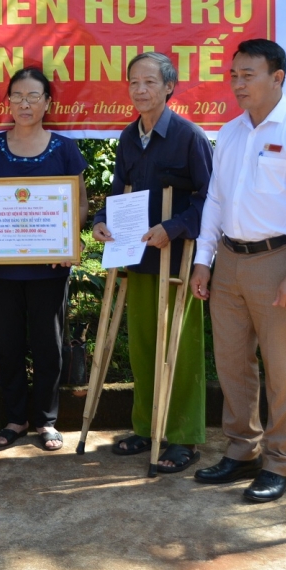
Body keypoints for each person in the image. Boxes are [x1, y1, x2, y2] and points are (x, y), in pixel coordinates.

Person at [190, 39, 286, 503]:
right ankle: (242, 451)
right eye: (233, 75)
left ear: (278, 78)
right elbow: (215, 200)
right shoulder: (230, 132)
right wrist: (202, 260)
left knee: (283, 369)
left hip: (278, 262)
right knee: (232, 363)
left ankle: (281, 462)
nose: (237, 83)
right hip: (229, 261)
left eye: (247, 75)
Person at [92, 52, 213, 471]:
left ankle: (183, 437)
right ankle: (146, 427)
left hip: (177, 260)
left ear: (168, 87)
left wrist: (175, 227)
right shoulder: (129, 137)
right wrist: (101, 221)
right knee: (142, 345)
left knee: (179, 347)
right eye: (133, 83)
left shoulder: (189, 137)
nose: (140, 90)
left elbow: (210, 201)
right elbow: (116, 189)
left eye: (149, 82)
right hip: (136, 256)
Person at [0, 67, 88, 451]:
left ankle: (47, 420)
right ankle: (16, 417)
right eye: (18, 96)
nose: (25, 104)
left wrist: (64, 240)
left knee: (48, 343)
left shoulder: (64, 149)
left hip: (49, 267)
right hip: (0, 268)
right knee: (9, 343)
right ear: (8, 102)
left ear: (48, 103)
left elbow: (79, 206)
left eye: (34, 96)